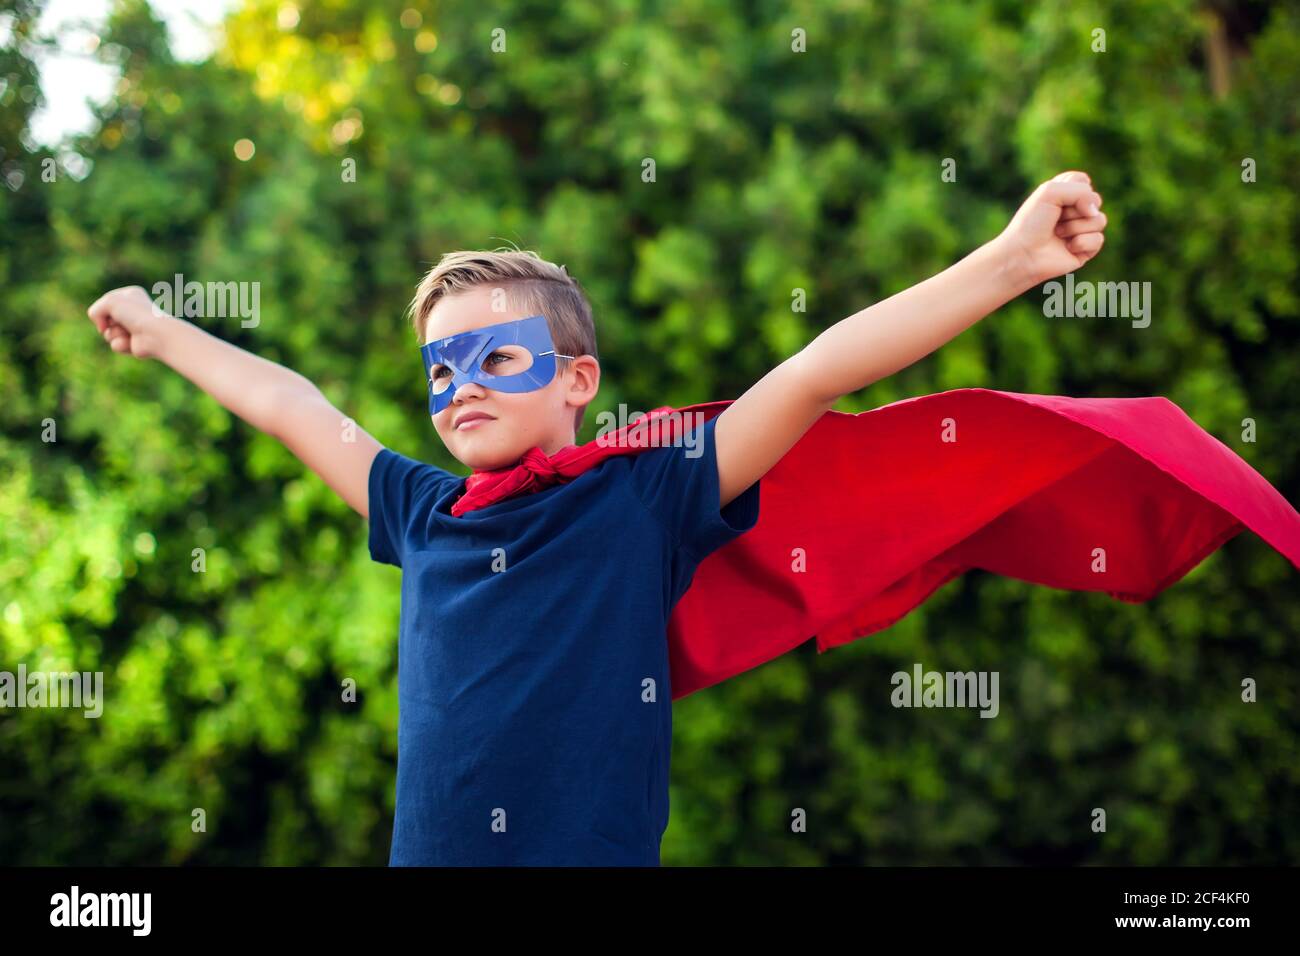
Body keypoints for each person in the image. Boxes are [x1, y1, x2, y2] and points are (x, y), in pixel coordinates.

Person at [86, 171, 1112, 865]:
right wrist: (165, 325)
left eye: (495, 356)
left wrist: (1010, 262)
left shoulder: (644, 495)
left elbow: (814, 372)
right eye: (441, 369)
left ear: (579, 378)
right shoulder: (420, 507)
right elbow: (290, 404)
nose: (461, 386)